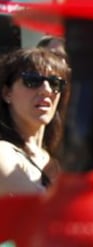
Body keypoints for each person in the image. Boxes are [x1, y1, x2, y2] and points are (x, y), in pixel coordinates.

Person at [0, 47, 70, 195]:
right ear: (7, 93)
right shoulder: (3, 152)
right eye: (32, 80)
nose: (47, 90)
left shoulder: (61, 157)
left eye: (55, 83)